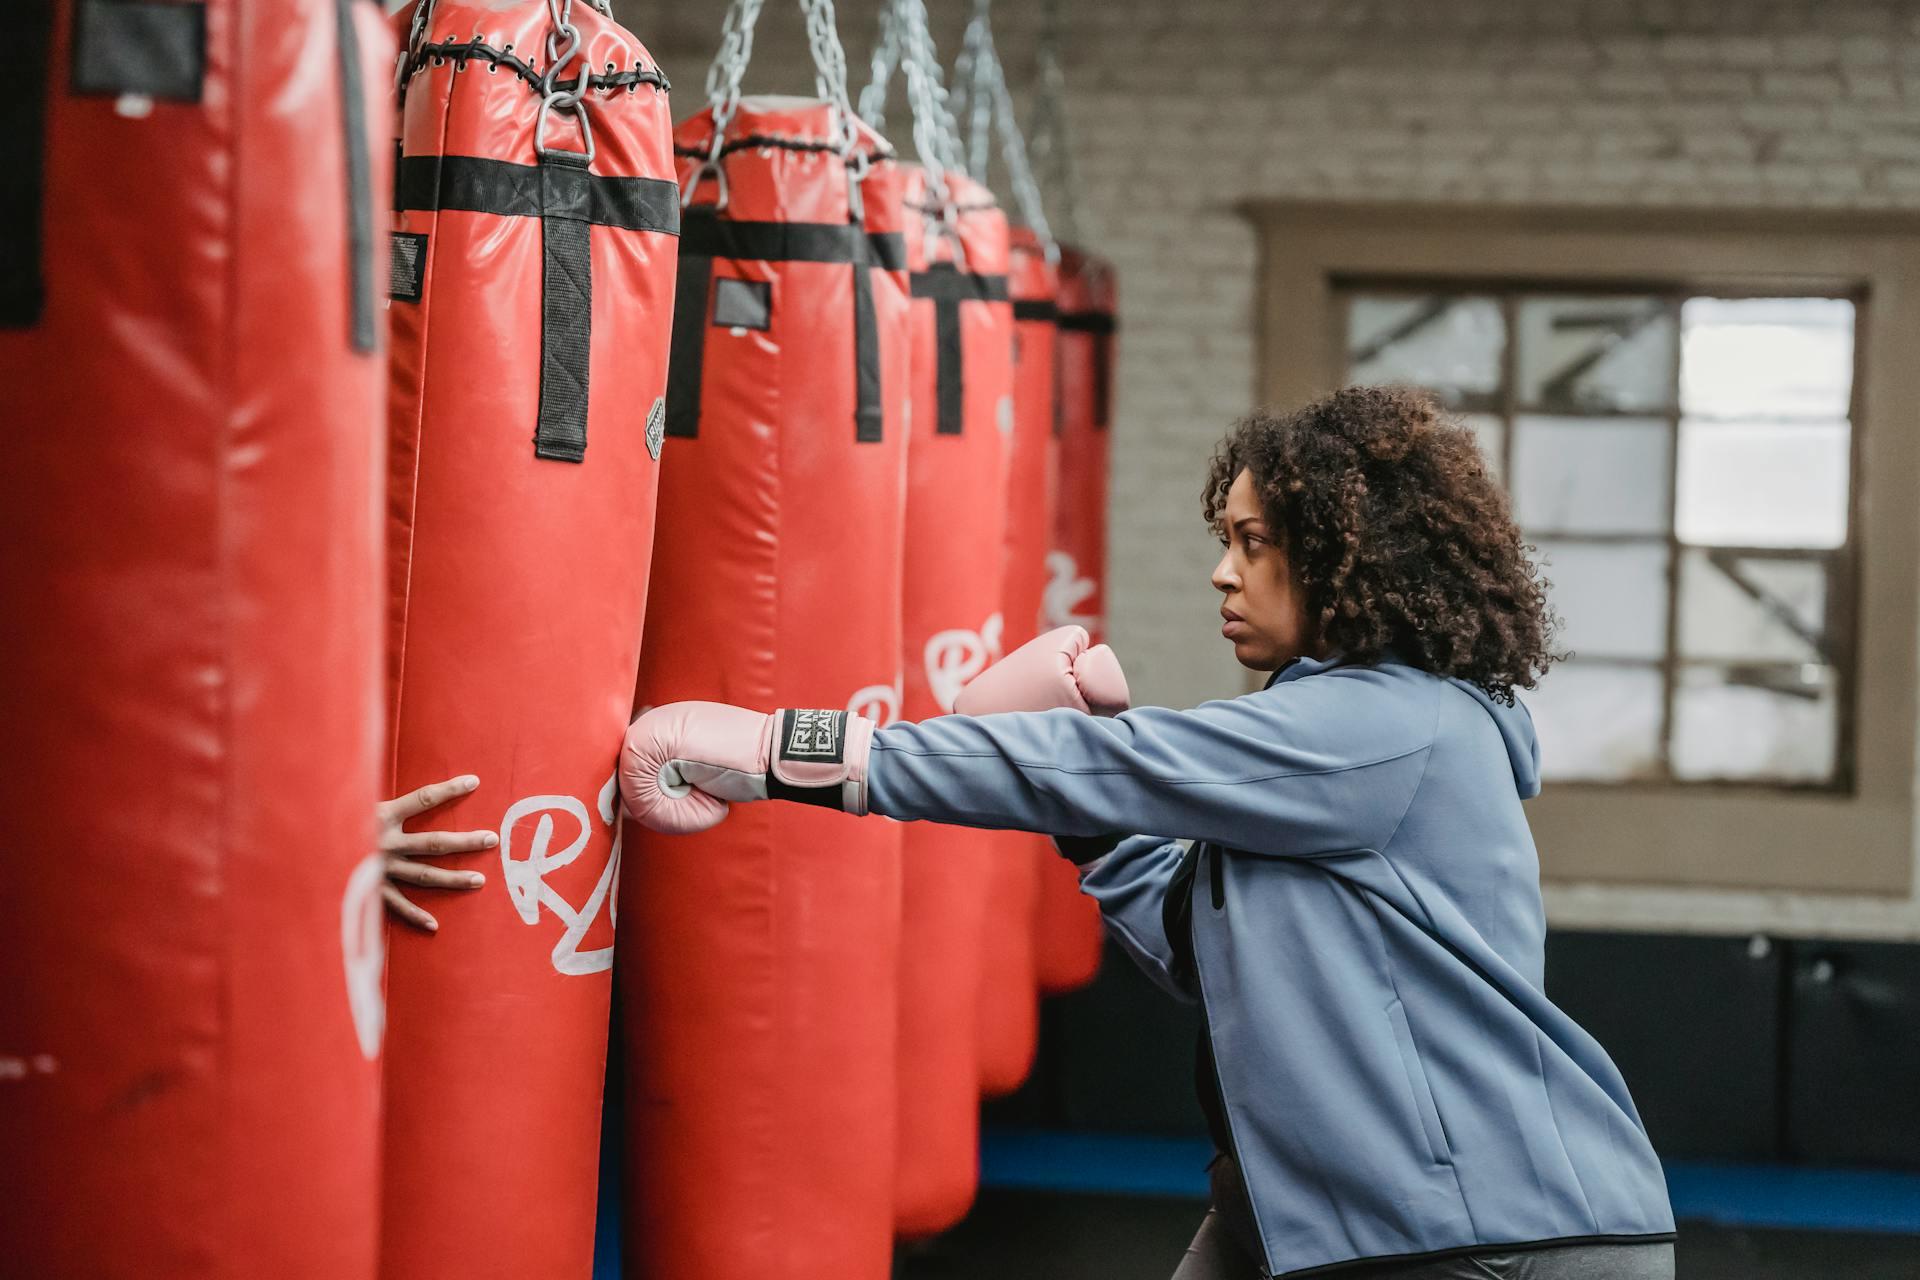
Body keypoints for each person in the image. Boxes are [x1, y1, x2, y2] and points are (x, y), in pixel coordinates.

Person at [623, 385, 1677, 1279]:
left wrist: (782, 748)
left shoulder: (1391, 723)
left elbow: (1111, 763)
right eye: (1227, 540)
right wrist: (1092, 827)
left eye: (1255, 545)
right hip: (1313, 1206)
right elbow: (1197, 944)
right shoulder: (1322, 746)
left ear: (1355, 560)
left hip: (1490, 1227)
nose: (1224, 572)